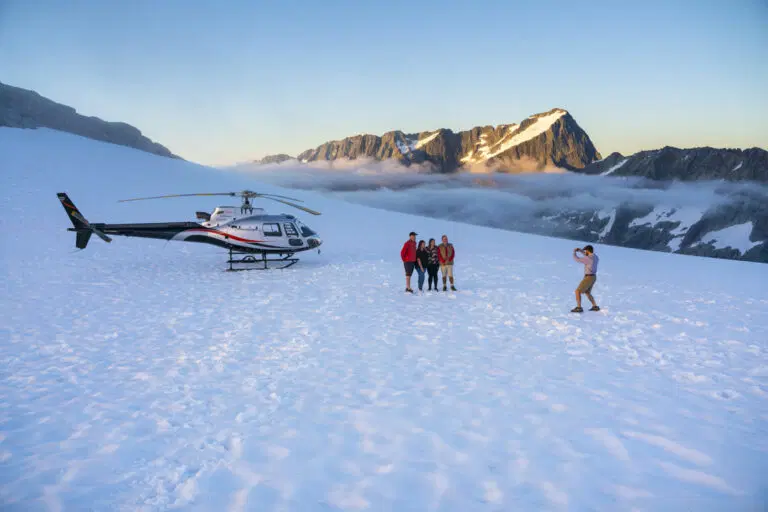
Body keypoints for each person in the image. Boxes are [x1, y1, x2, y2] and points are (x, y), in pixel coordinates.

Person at [572, 245, 600, 312]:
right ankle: (595, 306)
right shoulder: (595, 257)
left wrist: (574, 253)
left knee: (577, 291)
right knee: (587, 292)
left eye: (585, 251)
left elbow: (577, 259)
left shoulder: (588, 259)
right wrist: (580, 250)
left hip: (589, 277)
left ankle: (579, 307)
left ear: (588, 251)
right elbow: (586, 255)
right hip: (593, 277)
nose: (585, 252)